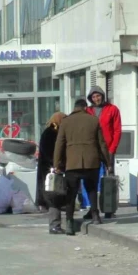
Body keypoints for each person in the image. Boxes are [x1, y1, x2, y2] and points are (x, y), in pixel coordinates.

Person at [54, 99, 111, 235]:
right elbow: (102, 143)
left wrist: (57, 163)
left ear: (74, 107)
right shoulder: (93, 120)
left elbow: (59, 144)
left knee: (71, 193)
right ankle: (96, 216)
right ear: (85, 107)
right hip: (92, 162)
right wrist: (108, 162)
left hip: (72, 164)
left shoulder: (66, 122)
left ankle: (69, 223)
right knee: (91, 190)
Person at [86, 86, 122, 219]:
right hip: (92, 149)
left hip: (108, 148)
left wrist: (112, 149)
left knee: (109, 179)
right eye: (93, 97)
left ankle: (109, 208)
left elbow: (117, 130)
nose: (96, 98)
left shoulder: (112, 109)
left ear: (102, 95)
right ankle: (93, 209)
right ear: (90, 98)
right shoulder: (88, 111)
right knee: (92, 179)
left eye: (98, 96)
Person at [38, 112, 67, 234]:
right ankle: (54, 225)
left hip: (52, 169)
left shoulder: (54, 132)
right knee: (54, 197)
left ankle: (56, 224)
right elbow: (48, 152)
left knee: (55, 198)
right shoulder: (50, 133)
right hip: (50, 171)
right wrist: (56, 165)